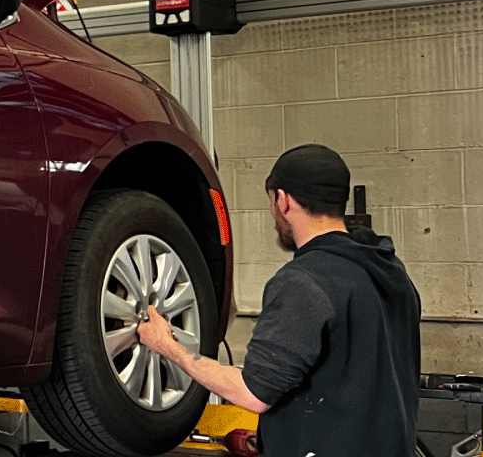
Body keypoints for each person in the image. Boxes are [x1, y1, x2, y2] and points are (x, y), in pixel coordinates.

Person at [138, 144, 422, 457]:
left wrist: (170, 348)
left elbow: (253, 393)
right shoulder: (392, 274)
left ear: (282, 200)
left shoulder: (304, 281)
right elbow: (352, 382)